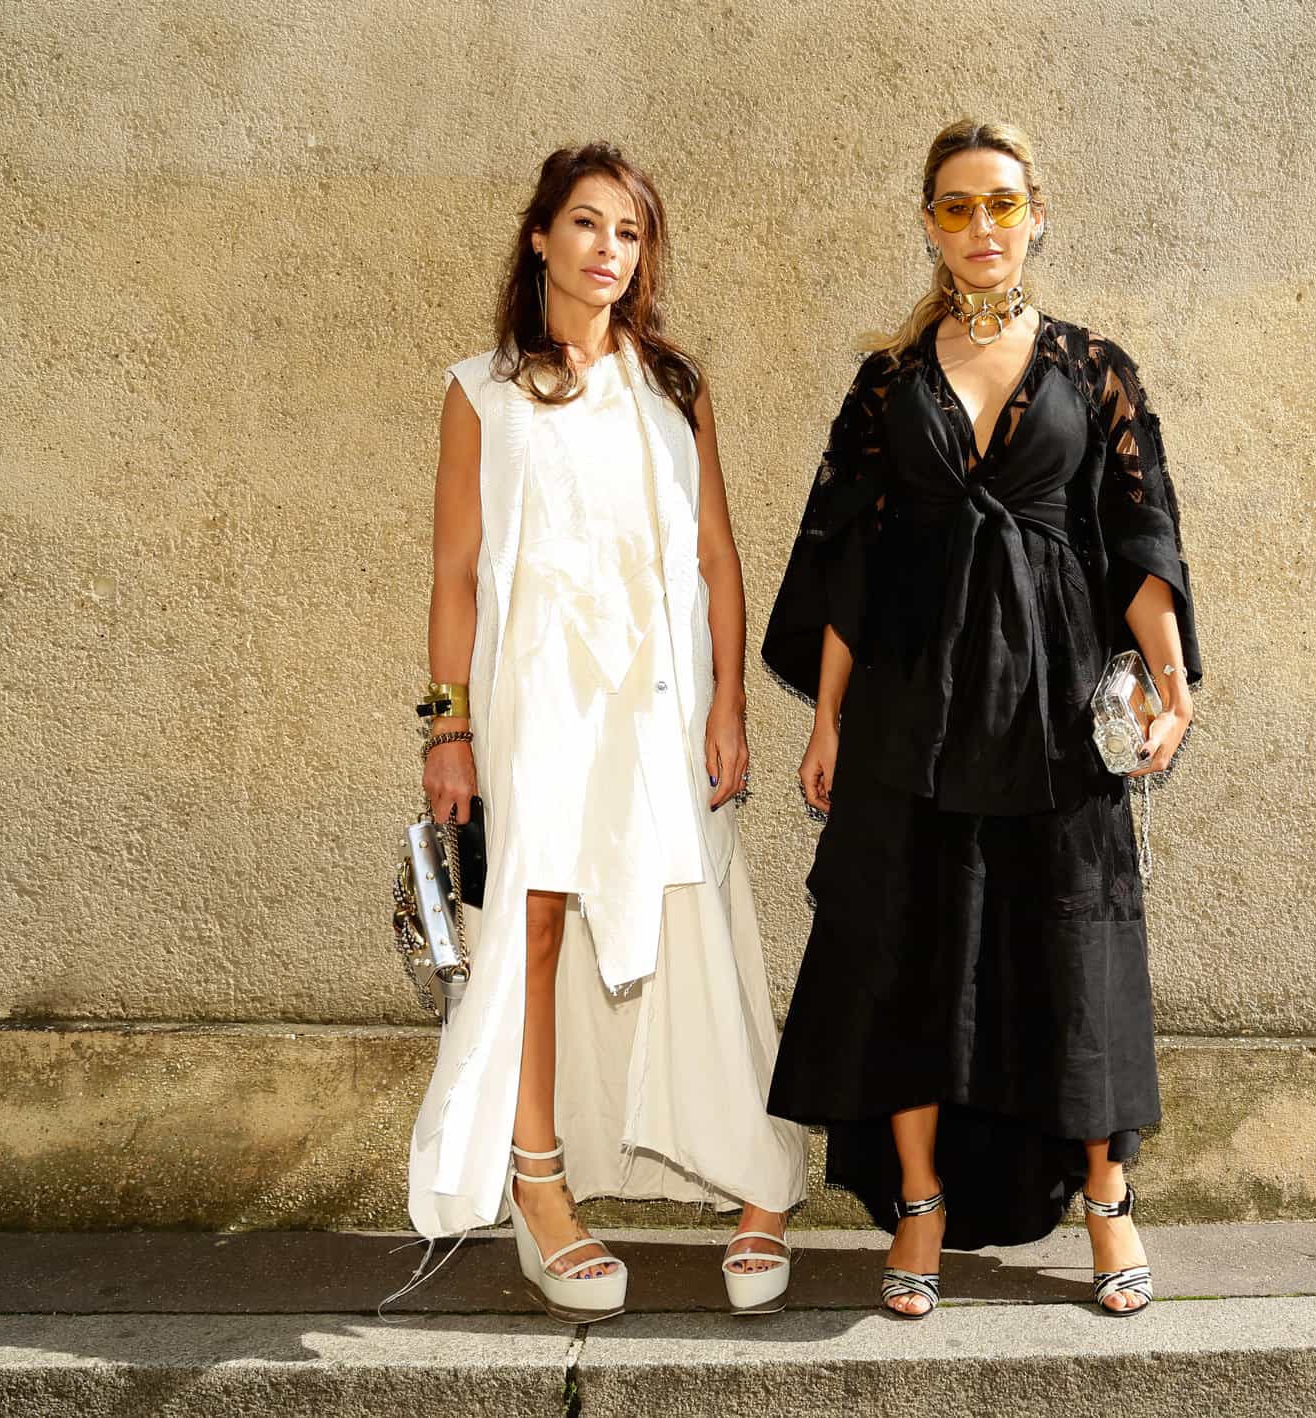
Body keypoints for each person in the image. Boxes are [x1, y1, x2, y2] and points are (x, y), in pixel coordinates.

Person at [762, 118, 1200, 1319]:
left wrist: (1176, 688)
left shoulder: (1093, 364)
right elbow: (851, 556)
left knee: (1077, 941)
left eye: (1001, 204)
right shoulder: (887, 380)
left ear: (1037, 214)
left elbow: (1140, 533)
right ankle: (919, 1200)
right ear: (928, 224)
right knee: (906, 943)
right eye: (956, 207)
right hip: (915, 698)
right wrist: (828, 719)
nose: (981, 227)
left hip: (1056, 699)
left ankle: (1107, 1196)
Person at [407, 141, 805, 1322]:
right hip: (535, 697)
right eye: (587, 224)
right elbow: (455, 571)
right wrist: (447, 728)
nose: (607, 251)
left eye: (628, 232)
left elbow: (717, 554)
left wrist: (731, 696)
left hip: (661, 699)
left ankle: (760, 1175)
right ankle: (541, 1184)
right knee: (526, 926)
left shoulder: (676, 384)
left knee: (699, 912)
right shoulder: (480, 390)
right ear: (541, 236)